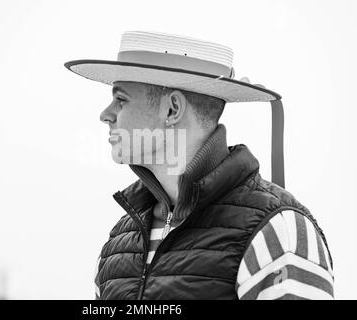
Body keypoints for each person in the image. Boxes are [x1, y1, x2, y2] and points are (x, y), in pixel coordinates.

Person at [64, 31, 334, 300]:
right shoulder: (118, 242)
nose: (105, 115)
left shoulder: (278, 231)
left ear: (172, 109)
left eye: (120, 99)